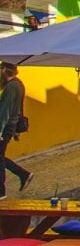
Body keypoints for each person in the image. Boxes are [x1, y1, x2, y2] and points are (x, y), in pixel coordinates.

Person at [0, 62, 31, 197]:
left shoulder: (11, 86)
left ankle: (1, 192)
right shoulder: (18, 83)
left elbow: (5, 111)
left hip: (5, 128)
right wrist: (16, 128)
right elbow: (18, 108)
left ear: (4, 70)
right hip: (10, 127)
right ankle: (23, 174)